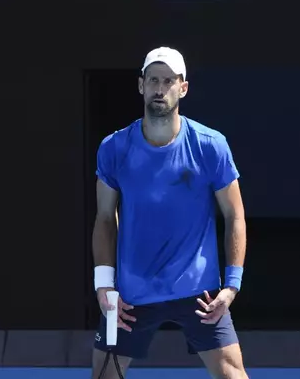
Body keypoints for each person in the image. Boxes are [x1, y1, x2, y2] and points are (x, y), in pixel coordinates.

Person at [91, 46, 249, 379]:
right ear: (141, 86)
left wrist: (231, 286)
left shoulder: (210, 145)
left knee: (232, 375)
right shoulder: (113, 148)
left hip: (199, 292)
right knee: (104, 376)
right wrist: (104, 287)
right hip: (131, 296)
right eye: (153, 80)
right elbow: (105, 218)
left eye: (168, 80)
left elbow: (234, 215)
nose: (159, 88)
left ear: (183, 88)